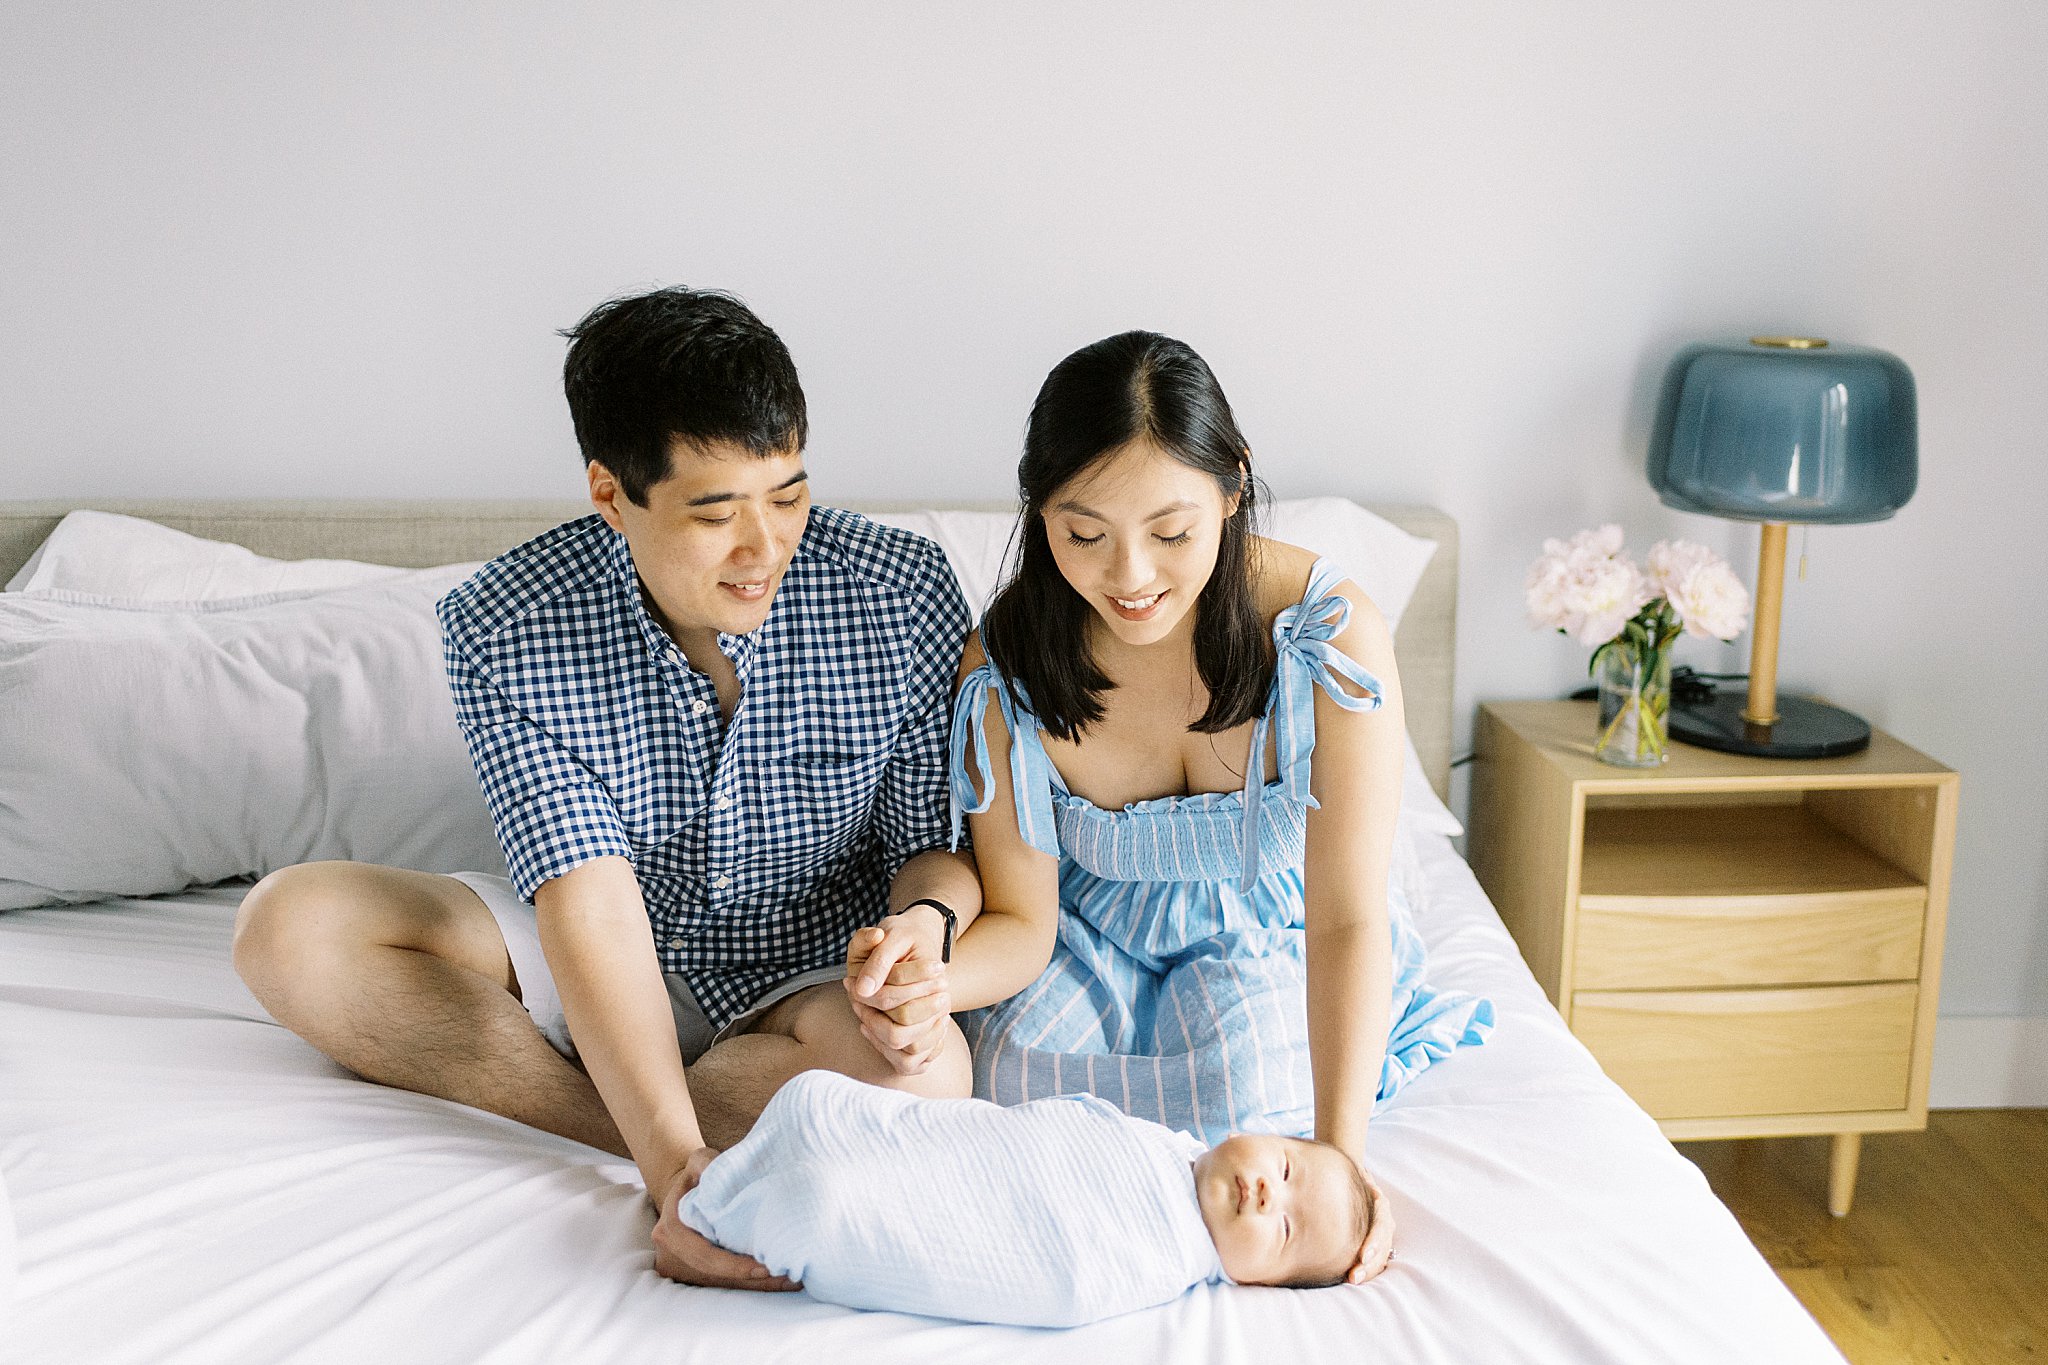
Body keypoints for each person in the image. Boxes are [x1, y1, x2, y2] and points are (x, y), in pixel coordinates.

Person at [232, 286, 981, 1290]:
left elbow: (926, 851)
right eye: (715, 513)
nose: (764, 547)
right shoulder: (505, 624)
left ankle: (632, 1100)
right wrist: (674, 1168)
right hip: (609, 945)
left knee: (929, 1087)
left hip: (814, 967)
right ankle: (631, 1114)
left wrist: (918, 933)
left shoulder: (900, 589)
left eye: (788, 495)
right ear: (609, 493)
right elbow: (586, 898)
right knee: (288, 929)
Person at [846, 331, 1492, 1285]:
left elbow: (1349, 917)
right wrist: (935, 984)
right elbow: (1024, 921)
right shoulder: (1010, 667)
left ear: (1233, 486)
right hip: (1091, 932)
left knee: (1253, 1093)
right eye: (1083, 532)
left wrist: (1337, 1162)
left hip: (1278, 926)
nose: (1131, 576)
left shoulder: (1326, 636)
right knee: (1011, 1070)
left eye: (1172, 531)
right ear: (1039, 513)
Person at [674, 1069, 1370, 1326]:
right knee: (821, 1101)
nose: (1266, 1195)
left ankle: (733, 1210)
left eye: (1283, 1232)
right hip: (957, 1153)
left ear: (1258, 1281)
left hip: (1029, 1232)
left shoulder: (1155, 1256)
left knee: (826, 1203)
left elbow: (1065, 1268)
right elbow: (1019, 1136)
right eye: (1284, 1166)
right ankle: (740, 1178)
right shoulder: (1166, 1144)